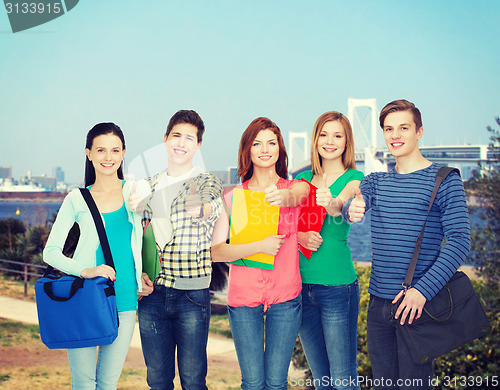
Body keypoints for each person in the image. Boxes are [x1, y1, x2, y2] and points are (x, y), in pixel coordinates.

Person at [342, 100, 471, 389]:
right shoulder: (377, 181)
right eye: (389, 129)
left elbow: (460, 242)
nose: (395, 135)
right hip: (378, 306)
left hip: (417, 307)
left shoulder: (445, 179)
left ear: (419, 132)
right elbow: (353, 201)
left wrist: (421, 292)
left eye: (403, 127)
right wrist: (352, 207)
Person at [43, 122, 153, 390]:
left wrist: (143, 273)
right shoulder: (76, 199)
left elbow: (147, 239)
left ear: (124, 153)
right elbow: (51, 252)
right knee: (83, 383)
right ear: (89, 153)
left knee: (107, 384)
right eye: (101, 150)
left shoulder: (135, 192)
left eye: (115, 150)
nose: (108, 157)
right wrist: (86, 270)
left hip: (126, 298)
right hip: (85, 297)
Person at [211, 117, 309, 390]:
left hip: (286, 297)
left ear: (280, 148)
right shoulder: (231, 197)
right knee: (253, 383)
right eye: (257, 143)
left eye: (271, 142)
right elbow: (216, 252)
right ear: (248, 150)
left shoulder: (294, 189)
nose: (265, 149)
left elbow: (302, 193)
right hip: (243, 298)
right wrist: (259, 246)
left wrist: (285, 198)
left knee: (277, 383)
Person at [130, 110, 223, 390]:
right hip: (152, 295)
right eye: (176, 136)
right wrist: (139, 275)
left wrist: (202, 208)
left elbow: (210, 204)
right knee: (157, 380)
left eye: (190, 138)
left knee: (194, 381)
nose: (181, 143)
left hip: (191, 295)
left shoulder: (206, 181)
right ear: (165, 139)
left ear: (198, 145)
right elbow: (135, 234)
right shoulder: (148, 185)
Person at [296, 112, 364, 390]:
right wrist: (300, 236)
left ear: (347, 142)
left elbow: (343, 209)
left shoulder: (355, 178)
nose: (330, 141)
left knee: (343, 379)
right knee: (321, 380)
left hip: (337, 287)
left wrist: (332, 202)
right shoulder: (301, 179)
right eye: (324, 134)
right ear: (315, 140)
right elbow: (285, 228)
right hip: (299, 287)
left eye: (338, 135)